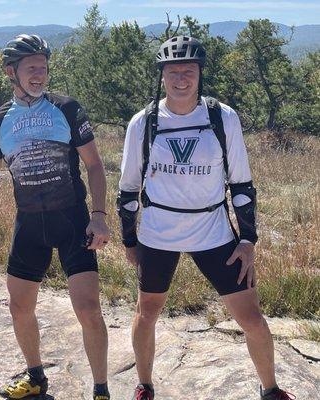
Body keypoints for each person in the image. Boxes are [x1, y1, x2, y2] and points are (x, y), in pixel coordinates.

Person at [117, 36, 294, 400]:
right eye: (173, 71)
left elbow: (242, 184)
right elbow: (128, 189)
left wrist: (247, 240)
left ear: (200, 74)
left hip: (213, 232)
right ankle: (144, 384)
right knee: (147, 311)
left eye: (189, 71)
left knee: (251, 318)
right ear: (161, 76)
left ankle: (271, 389)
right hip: (158, 235)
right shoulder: (143, 122)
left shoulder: (222, 117)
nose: (181, 78)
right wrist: (129, 241)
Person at [0, 34, 111, 400]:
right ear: (12, 72)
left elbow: (94, 165)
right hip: (29, 223)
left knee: (88, 308)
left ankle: (101, 390)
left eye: (43, 67)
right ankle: (36, 376)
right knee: (19, 307)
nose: (40, 74)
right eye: (32, 68)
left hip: (73, 221)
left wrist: (99, 216)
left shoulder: (67, 108)